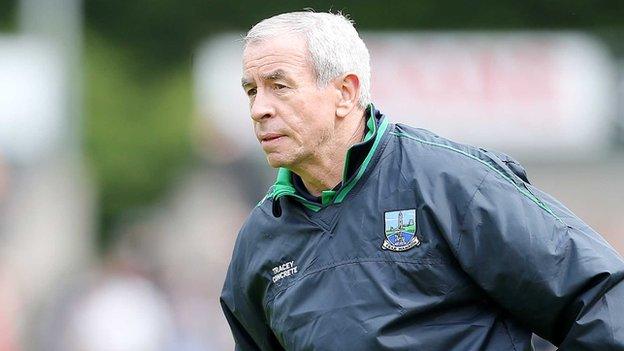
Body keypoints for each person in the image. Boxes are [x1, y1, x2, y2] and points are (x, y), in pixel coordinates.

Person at [220, 11, 624, 350]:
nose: (259, 109)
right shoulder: (260, 239)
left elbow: (599, 297)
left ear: (345, 92)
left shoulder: (453, 183)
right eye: (251, 91)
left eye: (279, 86)